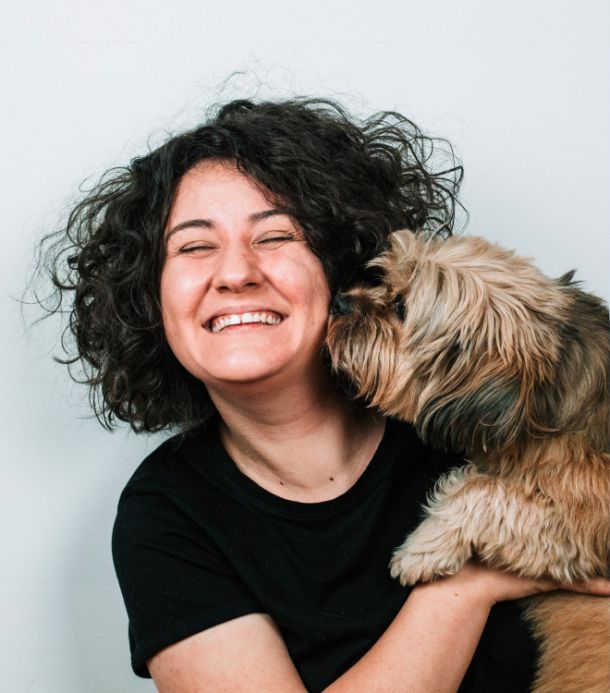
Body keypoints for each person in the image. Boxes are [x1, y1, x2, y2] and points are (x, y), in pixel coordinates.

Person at [40, 97, 610, 692]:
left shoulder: (475, 408)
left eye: (275, 235)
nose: (235, 273)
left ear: (336, 264)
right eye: (194, 246)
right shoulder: (166, 514)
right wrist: (466, 586)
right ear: (148, 297)